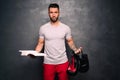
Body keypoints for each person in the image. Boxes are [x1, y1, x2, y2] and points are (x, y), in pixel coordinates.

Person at [35, 3, 82, 80]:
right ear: (48, 13)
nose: (53, 15)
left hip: (63, 62)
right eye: (51, 12)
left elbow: (70, 41)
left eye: (55, 12)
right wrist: (35, 53)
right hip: (48, 63)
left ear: (59, 13)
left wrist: (75, 50)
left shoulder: (66, 28)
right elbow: (40, 43)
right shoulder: (43, 28)